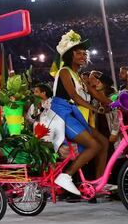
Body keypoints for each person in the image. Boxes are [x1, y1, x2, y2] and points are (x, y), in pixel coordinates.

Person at [50, 31, 109, 196]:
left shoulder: (78, 76)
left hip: (72, 113)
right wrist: (97, 109)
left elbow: (95, 93)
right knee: (94, 145)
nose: (84, 56)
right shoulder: (64, 72)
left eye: (85, 53)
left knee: (103, 142)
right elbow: (74, 96)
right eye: (79, 53)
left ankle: (99, 183)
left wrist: (115, 101)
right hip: (61, 113)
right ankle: (66, 176)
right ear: (70, 55)